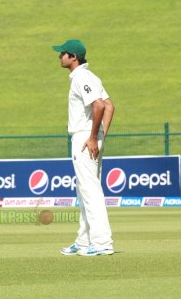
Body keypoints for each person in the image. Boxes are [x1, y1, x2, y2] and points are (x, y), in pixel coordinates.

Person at [52, 39, 115, 256]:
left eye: (62, 54)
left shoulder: (82, 77)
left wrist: (91, 137)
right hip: (91, 137)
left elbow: (99, 105)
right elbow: (110, 106)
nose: (59, 57)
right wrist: (100, 136)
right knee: (84, 190)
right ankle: (83, 241)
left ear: (73, 57)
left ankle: (102, 243)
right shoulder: (91, 76)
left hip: (83, 139)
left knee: (90, 190)